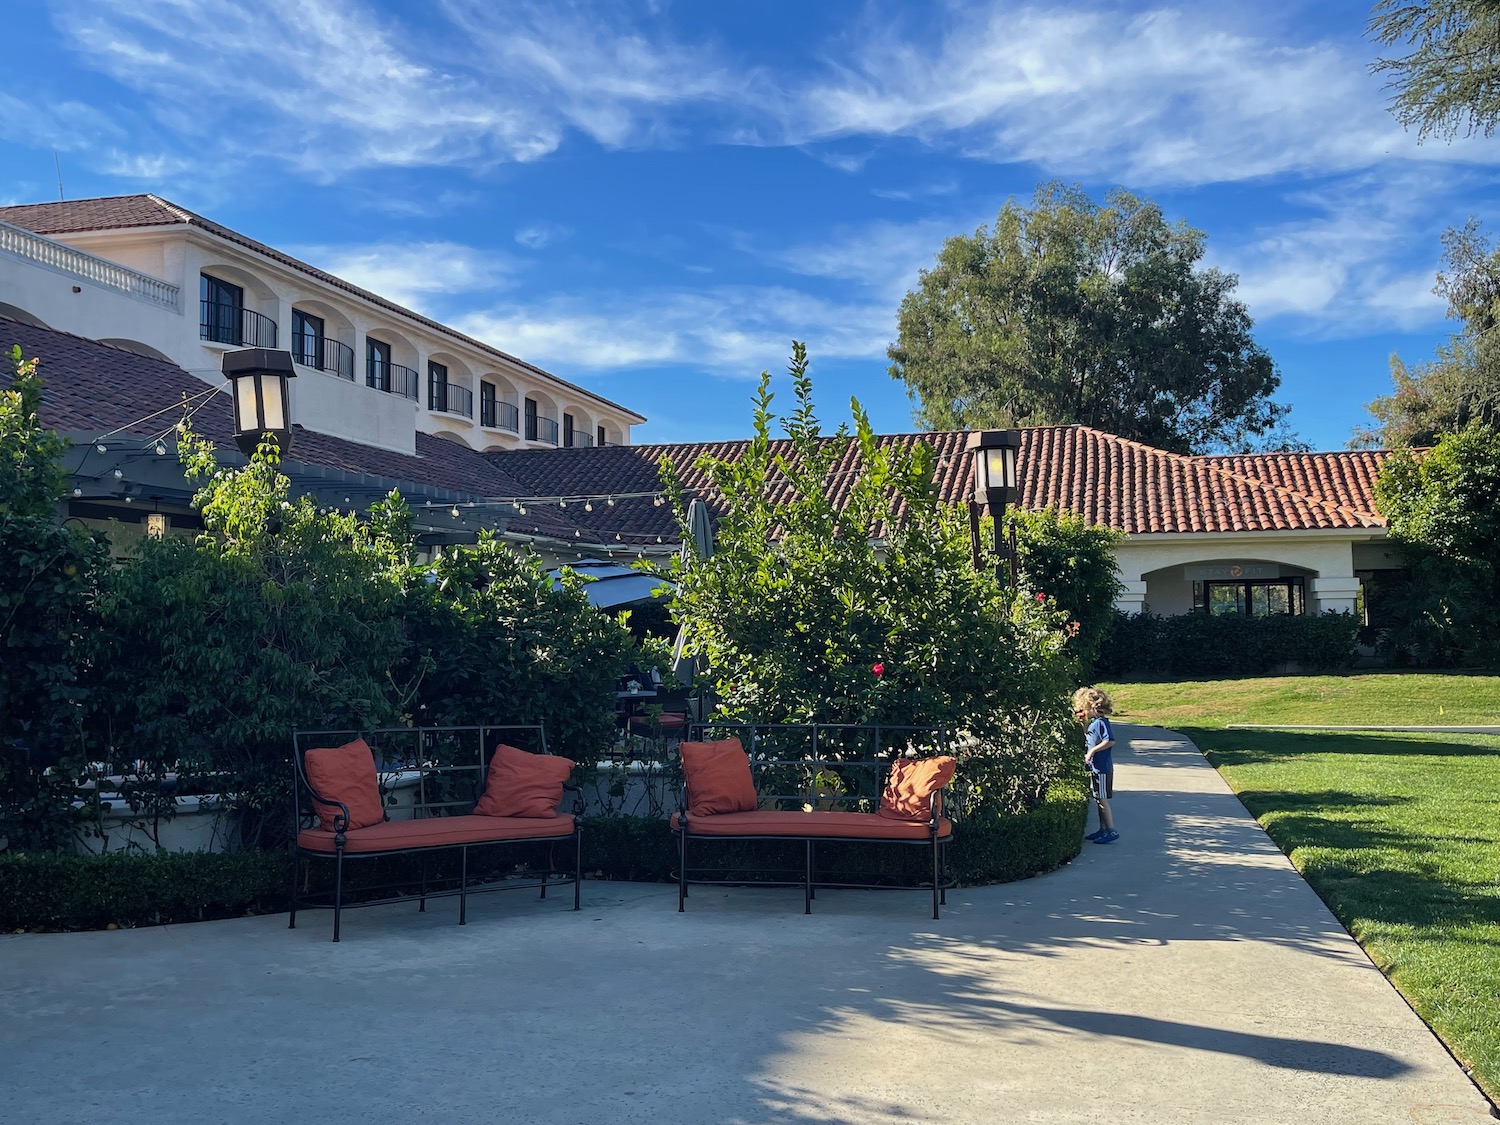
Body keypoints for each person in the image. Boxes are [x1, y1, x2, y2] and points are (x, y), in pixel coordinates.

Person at [1072, 686, 1118, 844]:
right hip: (1096, 767)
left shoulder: (1102, 722)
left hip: (1102, 767)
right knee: (1098, 798)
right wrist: (1084, 724)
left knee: (1102, 799)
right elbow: (1090, 737)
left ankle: (1111, 829)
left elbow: (1110, 741)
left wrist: (1092, 752)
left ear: (1092, 707)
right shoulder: (1093, 723)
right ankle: (1102, 829)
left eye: (1084, 707)